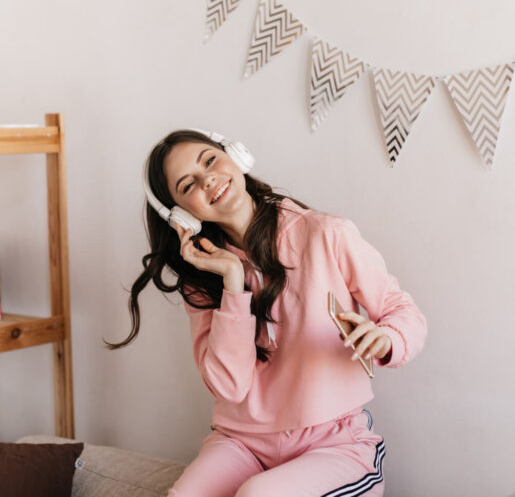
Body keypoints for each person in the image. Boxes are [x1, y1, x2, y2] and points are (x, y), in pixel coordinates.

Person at [105, 129, 428, 496]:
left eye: (209, 161)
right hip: (241, 442)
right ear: (181, 215)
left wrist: (386, 337)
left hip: (334, 442)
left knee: (258, 494)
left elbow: (402, 312)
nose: (207, 178)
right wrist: (232, 282)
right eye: (187, 185)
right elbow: (230, 386)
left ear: (236, 156)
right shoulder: (202, 280)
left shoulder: (325, 233)